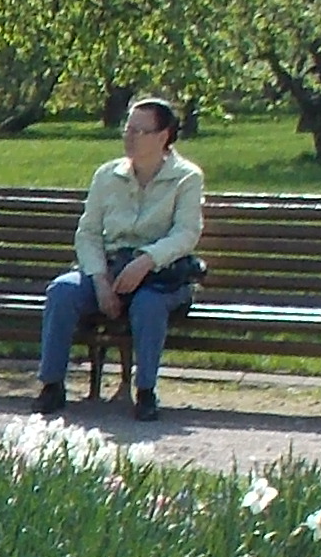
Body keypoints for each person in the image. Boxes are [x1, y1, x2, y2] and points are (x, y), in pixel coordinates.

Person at [39, 95, 204, 417]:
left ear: (163, 136)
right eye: (127, 129)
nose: (129, 137)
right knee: (62, 290)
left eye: (139, 131)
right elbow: (87, 233)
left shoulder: (187, 177)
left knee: (148, 304)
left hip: (160, 274)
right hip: (110, 268)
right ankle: (51, 385)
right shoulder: (107, 175)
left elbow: (186, 234)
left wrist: (145, 261)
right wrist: (100, 280)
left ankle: (145, 392)